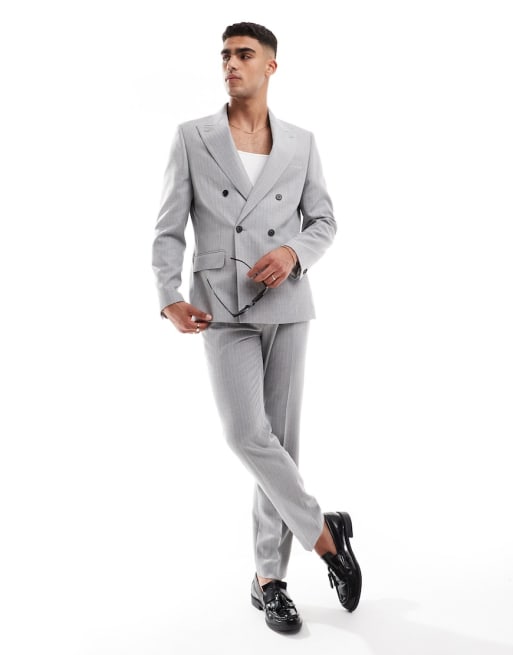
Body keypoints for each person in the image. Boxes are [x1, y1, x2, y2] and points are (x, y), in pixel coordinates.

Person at [152, 21, 362, 634]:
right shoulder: (192, 136)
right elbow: (168, 227)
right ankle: (325, 534)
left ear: (271, 66)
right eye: (225, 55)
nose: (231, 64)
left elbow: (323, 220)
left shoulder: (300, 142)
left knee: (280, 446)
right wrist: (168, 296)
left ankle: (269, 580)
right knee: (247, 434)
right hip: (220, 303)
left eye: (244, 54)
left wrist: (294, 252)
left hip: (286, 300)